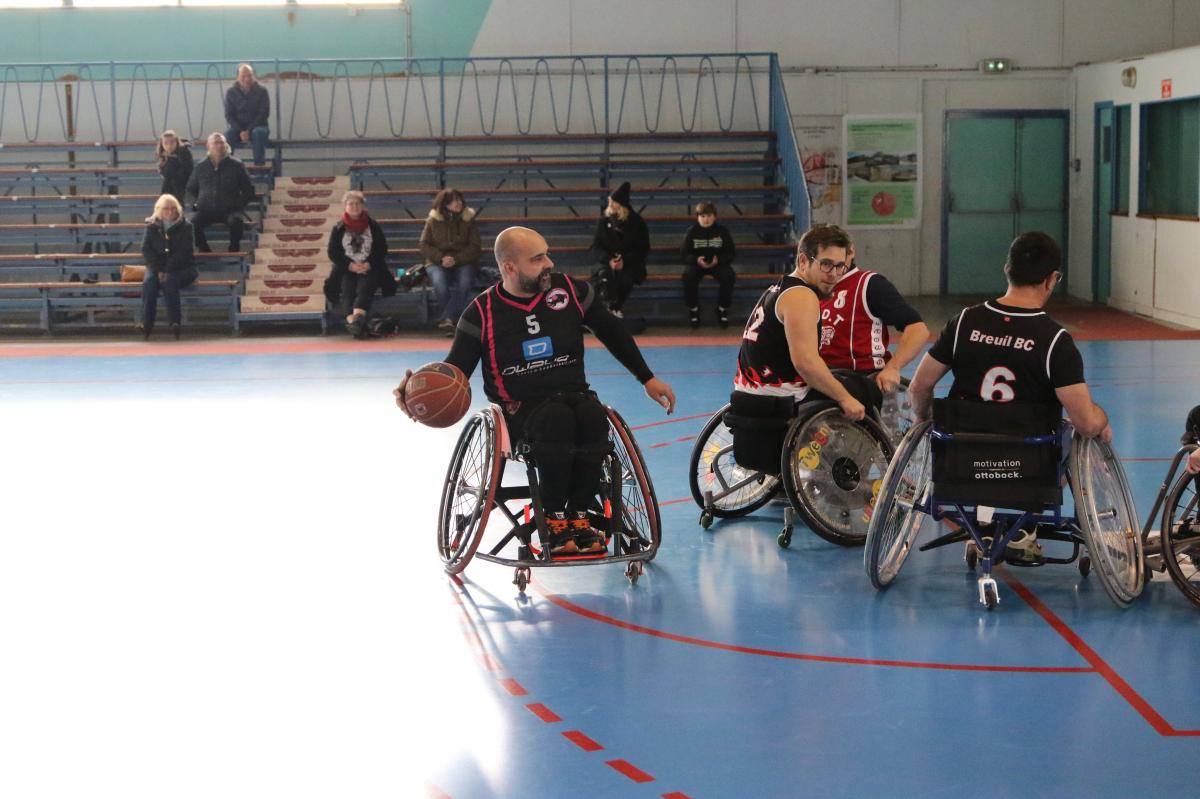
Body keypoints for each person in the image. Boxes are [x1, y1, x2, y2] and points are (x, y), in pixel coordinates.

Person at [394, 226, 676, 555]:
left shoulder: (570, 292)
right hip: (520, 410)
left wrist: (647, 377)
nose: (548, 264)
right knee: (556, 419)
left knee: (592, 416)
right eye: (537, 258)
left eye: (546, 254)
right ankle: (554, 520)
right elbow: (455, 369)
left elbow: (611, 330)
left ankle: (580, 515)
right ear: (509, 267)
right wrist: (416, 394)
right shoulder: (482, 312)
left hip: (573, 396)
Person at [908, 231, 1111, 561]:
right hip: (1029, 468)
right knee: (1070, 434)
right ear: (1052, 279)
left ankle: (986, 520)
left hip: (961, 460)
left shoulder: (963, 323)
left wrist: (921, 417)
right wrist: (1103, 420)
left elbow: (919, 387)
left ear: (1007, 269)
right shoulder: (1055, 341)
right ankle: (1021, 527)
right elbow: (1086, 422)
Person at [733, 224, 871, 420]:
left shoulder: (779, 287)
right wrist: (845, 399)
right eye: (826, 264)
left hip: (753, 389)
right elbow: (806, 364)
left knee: (843, 378)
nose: (834, 274)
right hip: (780, 398)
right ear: (803, 261)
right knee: (866, 390)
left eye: (840, 266)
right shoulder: (802, 296)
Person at [818, 240, 929, 395]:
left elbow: (918, 330)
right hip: (820, 377)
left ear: (850, 253)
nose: (830, 269)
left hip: (860, 378)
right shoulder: (813, 289)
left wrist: (893, 367)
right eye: (825, 262)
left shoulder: (870, 284)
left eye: (836, 262)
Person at [326, 191, 392, 338]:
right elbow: (333, 252)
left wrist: (368, 264)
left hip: (370, 267)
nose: (354, 206)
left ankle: (355, 323)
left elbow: (382, 248)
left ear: (363, 206)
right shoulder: (338, 228)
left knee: (365, 287)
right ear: (345, 207)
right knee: (347, 289)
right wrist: (350, 266)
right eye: (351, 204)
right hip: (346, 268)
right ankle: (357, 322)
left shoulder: (373, 226)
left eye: (358, 203)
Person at [419, 188, 482, 335]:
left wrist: (457, 258)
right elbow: (424, 244)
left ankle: (448, 319)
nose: (458, 203)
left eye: (459, 199)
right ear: (445, 204)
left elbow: (475, 246)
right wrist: (441, 258)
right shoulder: (433, 220)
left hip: (464, 261)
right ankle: (455, 321)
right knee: (440, 282)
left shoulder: (468, 220)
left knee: (465, 282)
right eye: (454, 200)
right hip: (437, 261)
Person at [185, 132, 255, 253]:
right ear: (208, 145)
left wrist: (237, 204)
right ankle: (204, 250)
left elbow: (249, 190)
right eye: (215, 143)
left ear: (226, 145)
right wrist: (194, 204)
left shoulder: (237, 165)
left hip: (229, 211)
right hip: (205, 210)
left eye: (222, 142)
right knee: (192, 223)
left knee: (237, 221)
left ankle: (234, 250)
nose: (219, 145)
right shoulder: (200, 166)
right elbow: (190, 190)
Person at [140, 193, 197, 341]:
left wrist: (166, 270)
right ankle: (146, 323)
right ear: (159, 210)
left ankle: (175, 322)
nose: (170, 212)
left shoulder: (186, 227)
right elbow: (146, 250)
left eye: (173, 208)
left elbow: (184, 252)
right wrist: (158, 269)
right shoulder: (151, 227)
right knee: (149, 283)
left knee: (169, 281)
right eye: (166, 208)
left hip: (183, 268)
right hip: (156, 267)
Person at [591, 181, 650, 317]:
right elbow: (596, 246)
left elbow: (643, 248)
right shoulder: (603, 222)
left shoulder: (637, 222)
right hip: (606, 262)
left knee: (625, 279)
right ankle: (603, 309)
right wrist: (609, 260)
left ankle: (615, 307)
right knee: (604, 276)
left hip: (631, 264)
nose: (610, 205)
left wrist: (625, 261)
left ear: (622, 204)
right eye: (610, 201)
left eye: (614, 202)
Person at [680, 201, 736, 328]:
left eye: (709, 216)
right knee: (688, 276)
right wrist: (696, 260)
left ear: (715, 216)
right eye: (703, 216)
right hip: (697, 265)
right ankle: (694, 310)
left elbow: (731, 253)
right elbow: (684, 254)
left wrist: (719, 260)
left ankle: (722, 309)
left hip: (718, 264)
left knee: (729, 275)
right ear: (697, 217)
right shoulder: (692, 231)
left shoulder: (722, 231)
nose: (706, 220)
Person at [224, 63, 270, 167]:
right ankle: (226, 168)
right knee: (227, 135)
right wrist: (241, 131)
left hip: (259, 126)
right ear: (237, 78)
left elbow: (263, 114)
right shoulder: (231, 92)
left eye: (250, 76)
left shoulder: (262, 91)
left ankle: (259, 168)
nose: (247, 79)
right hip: (238, 128)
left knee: (258, 133)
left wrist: (248, 130)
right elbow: (229, 115)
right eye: (243, 76)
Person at [155, 130, 193, 204]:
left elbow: (188, 170)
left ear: (177, 142)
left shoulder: (184, 153)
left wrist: (172, 159)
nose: (169, 146)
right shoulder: (162, 156)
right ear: (162, 144)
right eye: (166, 143)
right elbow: (165, 174)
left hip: (182, 186)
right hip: (169, 186)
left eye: (172, 142)